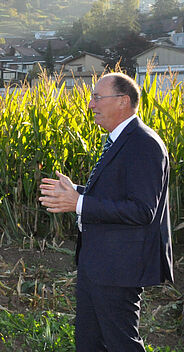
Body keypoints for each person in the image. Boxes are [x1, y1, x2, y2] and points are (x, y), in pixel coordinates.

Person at [39, 73, 173, 351]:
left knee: (121, 342)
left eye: (98, 97)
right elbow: (115, 196)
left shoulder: (143, 144)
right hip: (98, 264)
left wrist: (78, 202)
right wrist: (76, 190)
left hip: (119, 267)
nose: (91, 104)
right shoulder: (118, 139)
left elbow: (142, 210)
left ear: (123, 101)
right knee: (90, 342)